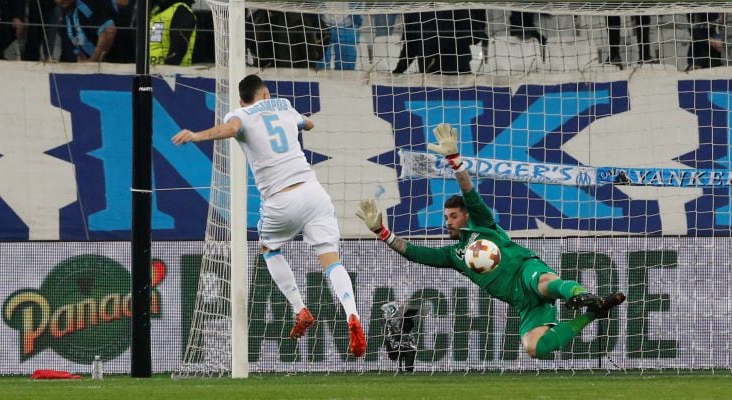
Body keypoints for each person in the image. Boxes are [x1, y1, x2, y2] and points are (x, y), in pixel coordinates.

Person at [356, 123, 626, 359]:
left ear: (466, 215)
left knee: (544, 283)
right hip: (521, 302)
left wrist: (454, 159)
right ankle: (595, 312)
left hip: (525, 271)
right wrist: (382, 232)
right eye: (446, 217)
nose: (447, 221)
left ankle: (582, 296)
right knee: (535, 348)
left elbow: (468, 189)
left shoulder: (483, 224)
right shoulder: (454, 256)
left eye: (453, 216)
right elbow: (414, 252)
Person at [171, 74, 367, 358]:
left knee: (269, 248)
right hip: (313, 193)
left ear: (242, 99)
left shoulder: (239, 114)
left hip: (280, 199)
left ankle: (300, 309)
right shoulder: (283, 105)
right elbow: (308, 124)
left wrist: (196, 135)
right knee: (330, 259)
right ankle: (352, 313)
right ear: (265, 94)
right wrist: (289, 115)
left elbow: (229, 129)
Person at [149, 0, 196, 66]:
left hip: (173, 73)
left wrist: (166, 70)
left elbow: (178, 49)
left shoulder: (181, 11)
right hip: (153, 70)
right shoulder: (158, 12)